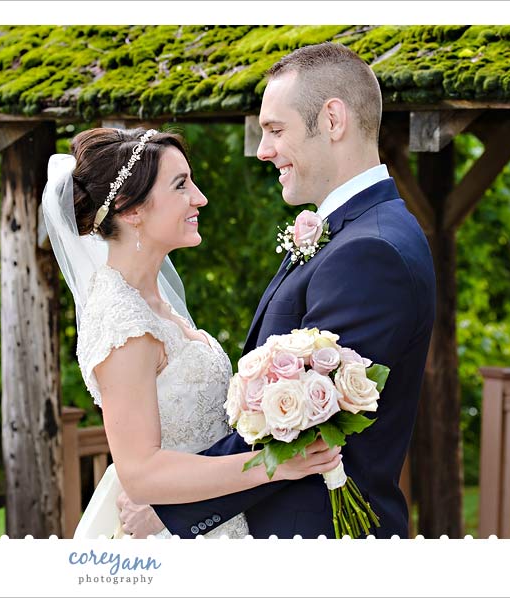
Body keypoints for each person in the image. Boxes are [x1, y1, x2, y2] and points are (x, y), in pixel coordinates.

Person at [121, 42, 436, 538]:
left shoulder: (370, 251)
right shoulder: (359, 233)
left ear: (332, 120)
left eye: (275, 129)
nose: (263, 149)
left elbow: (304, 422)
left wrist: (169, 506)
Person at [40, 127, 342, 538]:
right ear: (130, 209)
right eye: (180, 185)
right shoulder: (122, 323)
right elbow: (141, 474)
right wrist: (274, 464)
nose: (199, 198)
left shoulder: (153, 304)